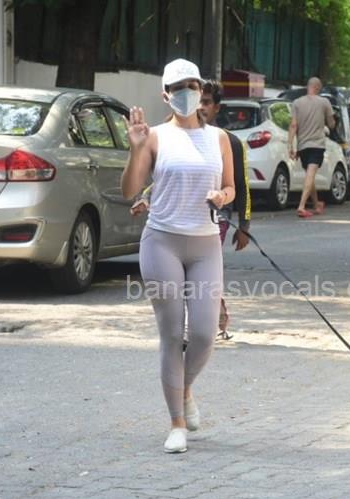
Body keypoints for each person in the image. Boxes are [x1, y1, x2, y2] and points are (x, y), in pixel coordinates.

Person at [120, 58, 235, 454]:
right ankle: (176, 423)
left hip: (205, 245)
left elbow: (231, 187)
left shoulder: (219, 138)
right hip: (162, 243)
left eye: (193, 85)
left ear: (202, 90)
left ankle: (184, 389)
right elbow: (129, 190)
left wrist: (222, 196)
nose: (187, 93)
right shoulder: (153, 137)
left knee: (203, 334)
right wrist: (136, 149)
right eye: (178, 88)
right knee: (172, 334)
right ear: (165, 95)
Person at [131, 79, 252, 339]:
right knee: (180, 278)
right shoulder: (167, 136)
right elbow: (165, 180)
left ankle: (207, 315)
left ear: (216, 107)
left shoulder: (228, 141)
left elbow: (240, 185)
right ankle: (193, 324)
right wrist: (145, 197)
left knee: (198, 276)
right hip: (170, 227)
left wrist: (245, 225)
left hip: (214, 220)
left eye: (207, 102)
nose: (202, 106)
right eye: (201, 101)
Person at [288, 77, 336, 218]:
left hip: (302, 145)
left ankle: (316, 204)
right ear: (318, 87)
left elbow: (293, 125)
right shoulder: (324, 102)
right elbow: (332, 124)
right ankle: (302, 206)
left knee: (310, 175)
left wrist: (290, 145)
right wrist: (329, 123)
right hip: (316, 144)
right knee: (310, 174)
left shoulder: (296, 103)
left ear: (308, 86)